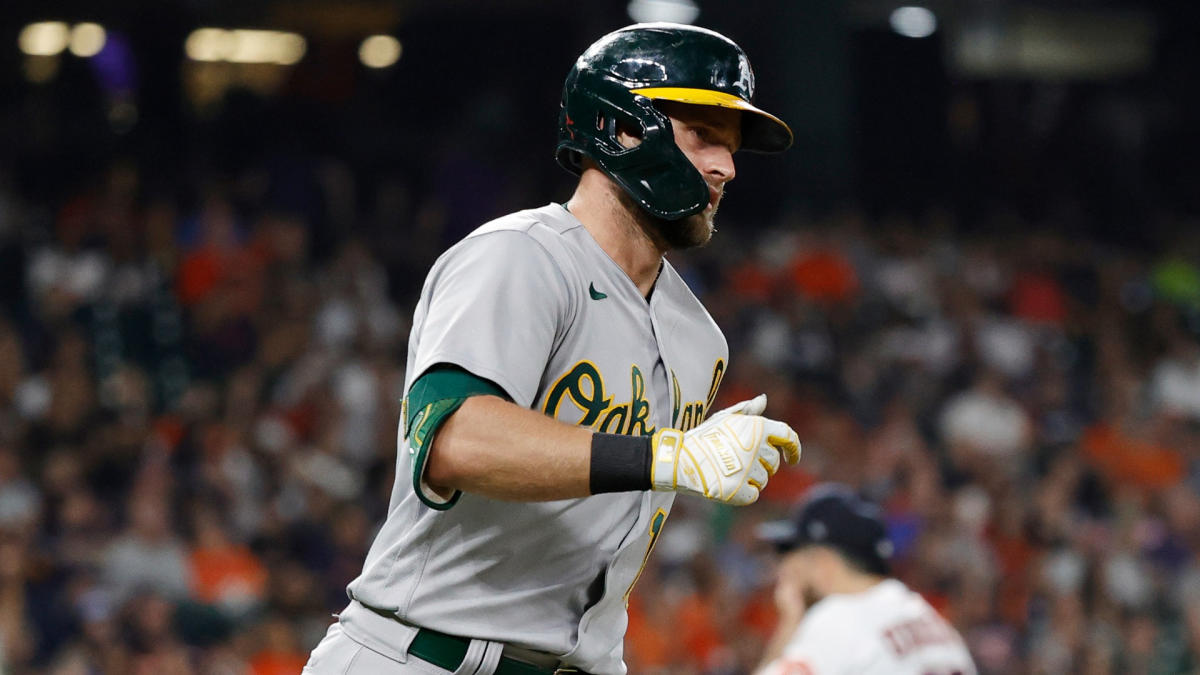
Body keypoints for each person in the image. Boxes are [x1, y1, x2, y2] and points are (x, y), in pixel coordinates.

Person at [303, 22, 801, 675]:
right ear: (622, 127)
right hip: (426, 652)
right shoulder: (519, 256)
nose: (725, 167)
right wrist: (668, 453)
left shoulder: (699, 336)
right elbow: (453, 442)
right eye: (704, 136)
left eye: (732, 149)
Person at [756, 485, 977, 675]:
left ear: (823, 563)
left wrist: (789, 625)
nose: (785, 572)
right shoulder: (931, 621)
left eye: (795, 558)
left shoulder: (839, 618)